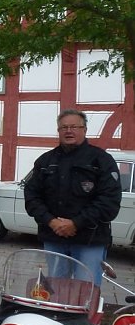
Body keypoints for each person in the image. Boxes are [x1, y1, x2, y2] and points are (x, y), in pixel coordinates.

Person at [24, 109, 121, 286]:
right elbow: (31, 197)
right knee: (56, 291)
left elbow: (110, 201)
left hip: (90, 240)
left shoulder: (102, 160)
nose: (69, 131)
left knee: (87, 292)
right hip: (54, 238)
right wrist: (52, 222)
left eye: (74, 126)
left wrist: (76, 223)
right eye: (64, 127)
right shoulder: (45, 161)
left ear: (84, 129)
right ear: (58, 131)